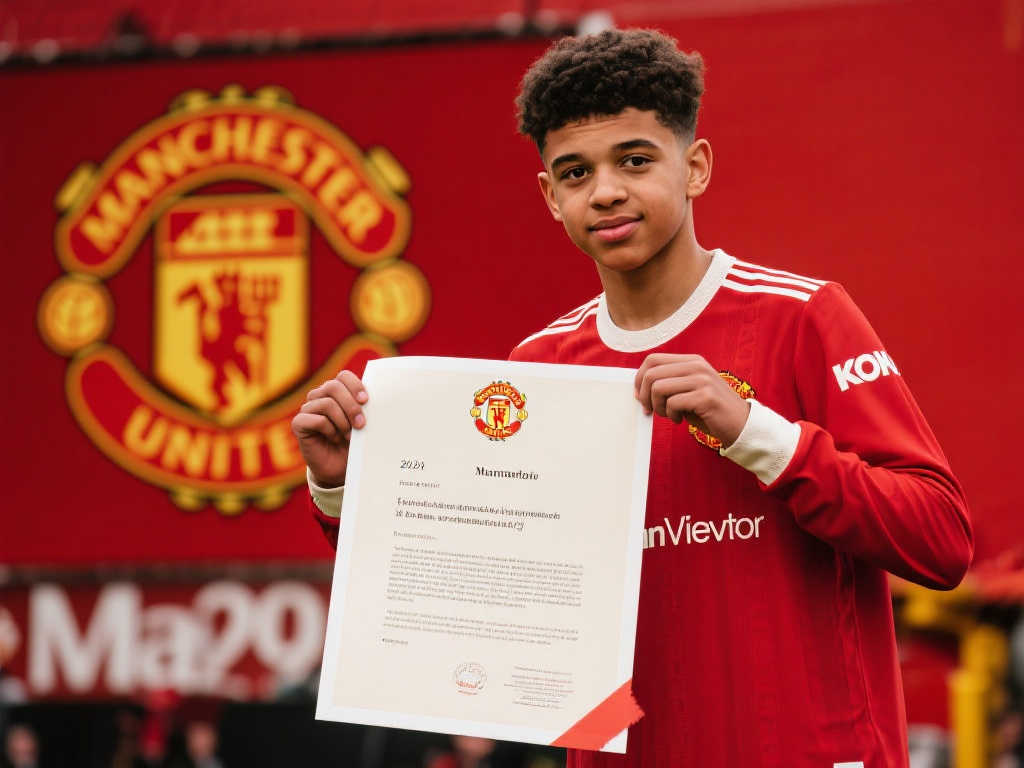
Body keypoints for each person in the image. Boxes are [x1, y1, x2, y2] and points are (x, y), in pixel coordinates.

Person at [292, 28, 973, 768]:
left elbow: (941, 541)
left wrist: (756, 432)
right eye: (576, 172)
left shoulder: (803, 317)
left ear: (696, 167)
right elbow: (471, 597)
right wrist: (341, 489)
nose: (607, 190)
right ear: (551, 198)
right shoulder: (540, 368)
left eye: (636, 160)